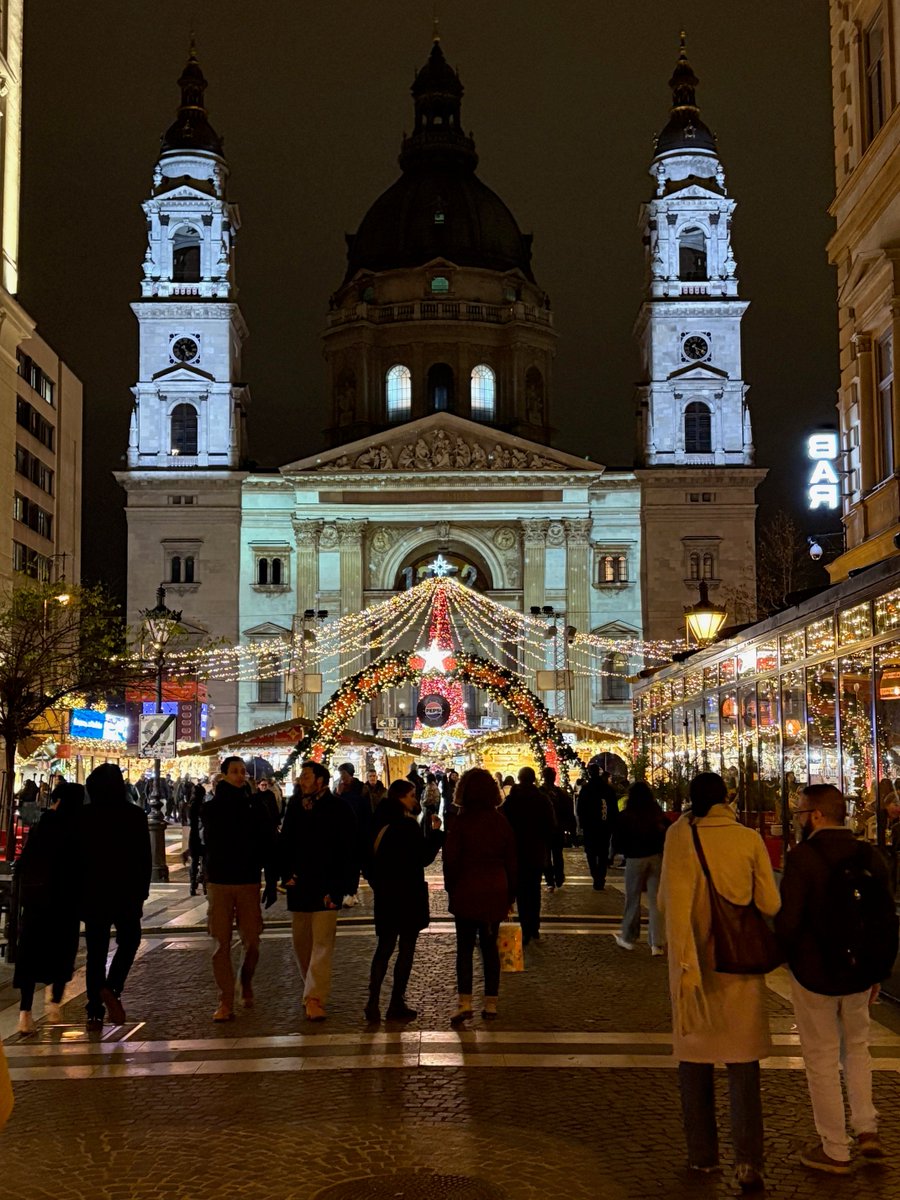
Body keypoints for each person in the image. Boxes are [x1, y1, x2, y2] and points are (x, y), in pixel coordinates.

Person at [658, 772, 780, 1192]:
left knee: (694, 1063)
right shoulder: (747, 839)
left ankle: (702, 1157)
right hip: (737, 965)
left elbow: (664, 900)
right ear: (728, 799)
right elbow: (769, 902)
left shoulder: (678, 836)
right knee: (743, 1066)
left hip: (692, 965)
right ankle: (749, 1163)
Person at [775, 783, 899, 1173]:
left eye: (798, 812)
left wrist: (783, 957)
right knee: (858, 1048)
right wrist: (875, 968)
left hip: (816, 973)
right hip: (860, 972)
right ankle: (867, 1129)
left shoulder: (803, 858)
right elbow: (883, 917)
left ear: (815, 815)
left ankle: (835, 1147)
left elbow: (789, 921)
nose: (796, 818)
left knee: (822, 1058)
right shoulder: (869, 854)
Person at [201, 756, 278, 1022]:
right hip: (219, 881)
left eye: (242, 771)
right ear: (223, 775)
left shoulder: (256, 805)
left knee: (253, 941)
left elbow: (268, 841)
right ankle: (225, 999)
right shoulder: (211, 807)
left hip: (247, 880)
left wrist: (270, 878)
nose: (239, 775)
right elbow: (206, 842)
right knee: (220, 944)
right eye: (234, 771)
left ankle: (245, 979)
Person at [280, 761, 355, 1021]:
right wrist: (285, 873)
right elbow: (285, 841)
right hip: (299, 884)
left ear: (321, 780)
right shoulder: (294, 806)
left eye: (306, 776)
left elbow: (348, 848)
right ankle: (309, 987)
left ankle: (315, 997)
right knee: (301, 942)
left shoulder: (338, 808)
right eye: (301, 776)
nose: (301, 780)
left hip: (327, 884)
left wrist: (347, 885)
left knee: (322, 943)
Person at [79, 764, 152, 1030]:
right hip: (126, 892)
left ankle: (94, 1011)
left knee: (96, 953)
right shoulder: (134, 815)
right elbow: (145, 858)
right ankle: (112, 987)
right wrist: (142, 892)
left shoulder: (83, 816)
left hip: (93, 893)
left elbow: (76, 859)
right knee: (130, 941)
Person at [365, 779, 443, 1022]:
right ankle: (396, 1002)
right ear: (401, 798)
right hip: (408, 895)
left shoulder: (376, 822)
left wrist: (378, 884)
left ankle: (373, 1002)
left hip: (386, 895)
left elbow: (366, 860)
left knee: (384, 949)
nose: (415, 799)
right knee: (405, 949)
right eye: (412, 795)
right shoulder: (406, 826)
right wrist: (437, 833)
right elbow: (422, 857)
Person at [443, 768, 517, 1024]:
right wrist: (510, 895)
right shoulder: (501, 822)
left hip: (466, 888)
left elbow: (450, 860)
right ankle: (491, 1003)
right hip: (496, 888)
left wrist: (451, 888)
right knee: (490, 947)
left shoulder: (461, 822)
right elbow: (511, 862)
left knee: (464, 948)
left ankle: (464, 1002)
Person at [14, 783, 84, 1033]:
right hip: (65, 903)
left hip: (36, 902)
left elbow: (25, 862)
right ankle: (54, 1003)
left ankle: (25, 1013)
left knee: (30, 956)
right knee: (63, 952)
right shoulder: (77, 828)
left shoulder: (43, 826)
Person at [612, 781, 668, 954]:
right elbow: (668, 831)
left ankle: (628, 937)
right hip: (656, 858)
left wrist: (618, 852)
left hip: (635, 858)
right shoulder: (656, 813)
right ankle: (657, 943)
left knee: (633, 898)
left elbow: (618, 838)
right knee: (655, 901)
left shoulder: (626, 815)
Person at [502, 766, 555, 945]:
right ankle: (534, 926)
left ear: (519, 778)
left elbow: (504, 824)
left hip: (517, 851)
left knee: (522, 891)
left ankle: (526, 926)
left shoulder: (512, 800)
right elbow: (550, 825)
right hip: (536, 851)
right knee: (534, 890)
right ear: (533, 779)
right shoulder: (542, 799)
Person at [577, 764, 618, 889]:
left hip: (590, 826)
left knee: (591, 852)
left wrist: (582, 824)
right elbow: (613, 809)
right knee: (602, 852)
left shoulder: (586, 789)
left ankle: (596, 875)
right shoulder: (608, 789)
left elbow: (580, 809)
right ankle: (600, 876)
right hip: (604, 825)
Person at [335, 761, 369, 905]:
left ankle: (351, 891)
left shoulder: (361, 788)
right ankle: (347, 891)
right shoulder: (339, 787)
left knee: (354, 864)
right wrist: (338, 794)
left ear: (349, 774)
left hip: (357, 832)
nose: (342, 777)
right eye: (340, 774)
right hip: (342, 832)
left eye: (343, 774)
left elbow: (365, 810)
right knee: (343, 863)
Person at [540, 765, 576, 890]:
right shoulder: (560, 793)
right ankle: (558, 877)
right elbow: (568, 812)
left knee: (548, 855)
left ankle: (551, 879)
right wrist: (570, 828)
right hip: (557, 828)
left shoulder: (540, 792)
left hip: (545, 829)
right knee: (557, 854)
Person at [187, 780, 207, 896]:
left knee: (194, 861)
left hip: (193, 835)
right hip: (202, 836)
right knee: (204, 860)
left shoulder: (190, 806)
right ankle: (204, 884)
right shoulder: (203, 807)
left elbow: (189, 822)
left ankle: (192, 885)